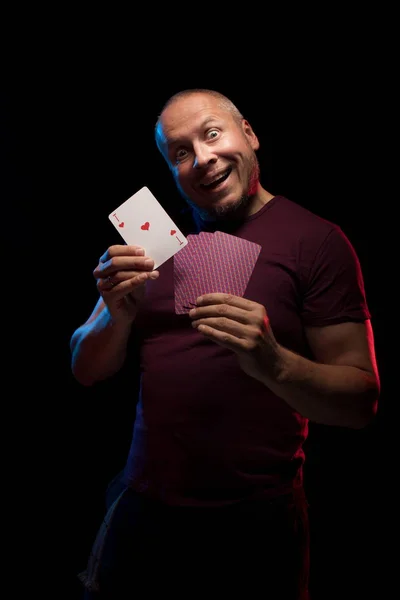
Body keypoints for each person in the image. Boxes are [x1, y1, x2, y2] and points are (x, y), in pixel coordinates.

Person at [70, 88, 380, 599]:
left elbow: (361, 400)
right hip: (142, 507)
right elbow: (85, 367)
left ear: (249, 134)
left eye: (212, 134)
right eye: (181, 152)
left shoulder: (317, 241)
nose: (202, 158)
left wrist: (276, 363)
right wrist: (116, 318)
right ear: (172, 171)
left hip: (258, 520)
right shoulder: (152, 245)